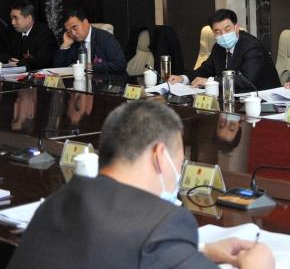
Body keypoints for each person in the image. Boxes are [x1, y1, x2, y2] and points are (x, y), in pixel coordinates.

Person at [9, 100, 274, 269]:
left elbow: (115, 250)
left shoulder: (58, 202)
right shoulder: (163, 222)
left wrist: (200, 251)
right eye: (179, 161)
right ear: (160, 156)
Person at [169, 9, 280, 92]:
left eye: (227, 29)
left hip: (263, 100)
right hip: (232, 99)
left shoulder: (252, 46)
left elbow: (247, 80)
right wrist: (183, 78)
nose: (223, 35)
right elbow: (205, 70)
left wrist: (210, 81)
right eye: (218, 32)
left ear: (236, 27)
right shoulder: (218, 47)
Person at [53, 7, 127, 74]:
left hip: (108, 81)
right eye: (68, 31)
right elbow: (57, 69)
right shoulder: (73, 42)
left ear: (86, 23)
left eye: (75, 28)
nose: (73, 33)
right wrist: (65, 45)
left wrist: (90, 67)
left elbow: (120, 64)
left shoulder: (105, 38)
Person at [0, 1, 57, 70]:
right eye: (11, 18)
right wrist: (9, 59)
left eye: (16, 18)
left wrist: (19, 63)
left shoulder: (44, 34)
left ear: (29, 18)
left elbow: (41, 61)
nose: (12, 22)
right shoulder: (13, 32)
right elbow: (4, 54)